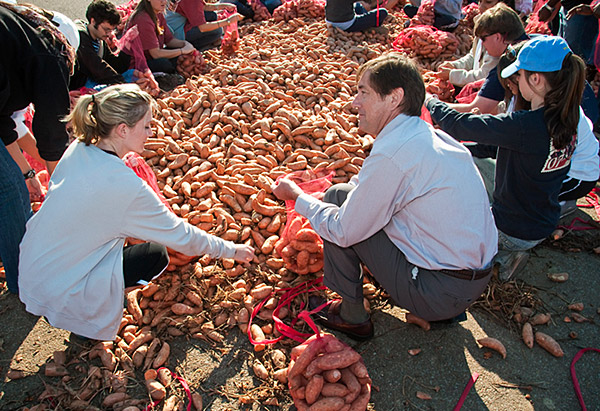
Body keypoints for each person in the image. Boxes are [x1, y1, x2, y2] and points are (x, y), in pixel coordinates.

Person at [272, 53, 497, 341]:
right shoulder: (428, 137)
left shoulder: (395, 152)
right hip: (469, 283)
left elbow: (343, 229)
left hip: (439, 293)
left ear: (394, 97)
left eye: (363, 92)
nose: (355, 102)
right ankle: (433, 303)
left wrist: (297, 196)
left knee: (338, 209)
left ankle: (353, 317)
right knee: (341, 193)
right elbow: (372, 184)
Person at [18, 84, 255, 341]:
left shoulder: (78, 148)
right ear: (122, 130)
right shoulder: (125, 185)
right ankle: (86, 319)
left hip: (32, 267)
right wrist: (233, 251)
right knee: (155, 255)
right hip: (60, 290)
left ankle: (79, 302)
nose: (151, 133)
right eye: (146, 126)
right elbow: (182, 237)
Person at [426, 36, 587, 281]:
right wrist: (467, 149)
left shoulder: (526, 126)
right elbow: (499, 148)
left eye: (518, 76)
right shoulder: (568, 117)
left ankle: (497, 256)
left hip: (511, 229)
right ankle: (509, 252)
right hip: (542, 222)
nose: (514, 84)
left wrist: (429, 101)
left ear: (535, 79)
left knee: (440, 226)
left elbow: (459, 124)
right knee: (474, 163)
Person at [0, 2, 78, 294]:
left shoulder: (19, 40)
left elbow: (6, 123)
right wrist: (62, 189)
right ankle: (28, 282)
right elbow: (50, 128)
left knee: (12, 184)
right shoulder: (49, 55)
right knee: (9, 192)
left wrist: (27, 172)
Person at [445, 3, 528, 114]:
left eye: (483, 39)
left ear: (498, 37)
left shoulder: (506, 63)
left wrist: (431, 103)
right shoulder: (531, 45)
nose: (482, 45)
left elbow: (477, 108)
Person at [434, 0, 516, 87]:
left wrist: (452, 75)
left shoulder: (498, 37)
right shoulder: (482, 25)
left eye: (488, 2)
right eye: (480, 1)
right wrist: (455, 65)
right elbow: (474, 56)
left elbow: (484, 76)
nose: (481, 7)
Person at [70, 0, 132, 90]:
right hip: (78, 84)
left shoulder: (100, 39)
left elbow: (116, 65)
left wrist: (127, 44)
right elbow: (97, 67)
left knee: (132, 73)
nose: (109, 34)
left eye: (112, 30)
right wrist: (125, 85)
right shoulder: (80, 37)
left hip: (94, 78)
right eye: (106, 29)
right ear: (93, 21)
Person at [124, 0, 196, 74]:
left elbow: (169, 40)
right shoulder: (143, 19)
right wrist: (182, 51)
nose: (164, 2)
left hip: (152, 56)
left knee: (180, 57)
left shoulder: (158, 14)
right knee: (164, 64)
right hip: (137, 63)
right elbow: (155, 54)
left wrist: (185, 44)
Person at [165, 0, 242, 51]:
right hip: (174, 34)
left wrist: (224, 5)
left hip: (177, 24)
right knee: (217, 31)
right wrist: (227, 21)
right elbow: (202, 28)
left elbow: (203, 7)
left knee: (211, 15)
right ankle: (193, 48)